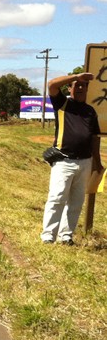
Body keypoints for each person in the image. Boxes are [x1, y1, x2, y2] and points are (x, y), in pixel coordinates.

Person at [40, 72, 103, 245]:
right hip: (64, 161)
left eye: (83, 86)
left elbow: (95, 138)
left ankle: (66, 235)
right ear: (70, 87)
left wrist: (97, 162)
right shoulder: (63, 104)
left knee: (76, 201)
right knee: (57, 197)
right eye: (77, 85)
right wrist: (76, 76)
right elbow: (52, 85)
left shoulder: (90, 111)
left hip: (85, 162)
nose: (81, 88)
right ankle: (48, 235)